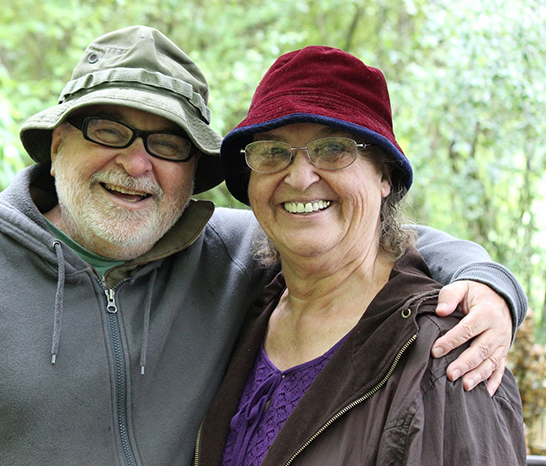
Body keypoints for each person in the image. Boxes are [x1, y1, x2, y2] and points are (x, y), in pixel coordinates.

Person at [0, 27, 526, 465]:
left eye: (166, 143)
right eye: (109, 130)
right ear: (58, 142)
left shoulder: (227, 256)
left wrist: (487, 283)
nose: (136, 163)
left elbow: (350, 232)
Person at [195, 46, 526, 465]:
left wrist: (493, 281)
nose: (298, 177)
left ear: (384, 174)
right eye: (273, 152)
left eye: (333, 150)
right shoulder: (242, 308)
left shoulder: (447, 356)